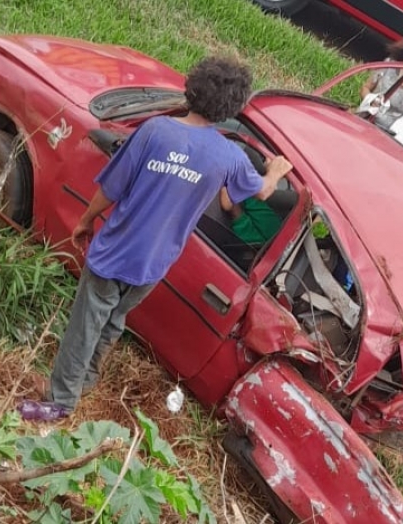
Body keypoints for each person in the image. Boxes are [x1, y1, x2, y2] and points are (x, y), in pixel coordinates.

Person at [28, 56, 292, 419]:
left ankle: (59, 401)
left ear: (192, 87)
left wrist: (86, 220)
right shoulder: (230, 157)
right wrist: (276, 170)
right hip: (156, 262)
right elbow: (261, 192)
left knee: (86, 323)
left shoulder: (155, 131)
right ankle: (87, 377)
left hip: (116, 251)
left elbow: (112, 187)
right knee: (114, 317)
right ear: (232, 107)